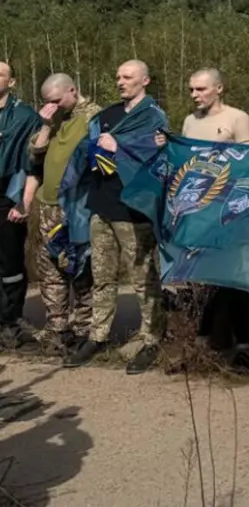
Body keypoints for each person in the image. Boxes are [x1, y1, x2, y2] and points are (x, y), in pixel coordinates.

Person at [65, 60, 168, 373]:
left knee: (143, 278)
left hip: (133, 211)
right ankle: (98, 335)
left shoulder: (154, 116)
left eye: (128, 77)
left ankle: (152, 337)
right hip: (102, 207)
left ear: (145, 81)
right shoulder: (105, 115)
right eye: (118, 77)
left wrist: (119, 144)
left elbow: (158, 153)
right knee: (102, 275)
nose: (120, 82)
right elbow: (86, 150)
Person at [174, 69, 249, 370]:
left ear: (219, 88)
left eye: (201, 89)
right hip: (198, 208)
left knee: (232, 277)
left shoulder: (238, 118)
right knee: (201, 276)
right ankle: (206, 340)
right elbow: (185, 163)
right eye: (191, 89)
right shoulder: (189, 122)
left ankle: (244, 343)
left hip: (228, 207)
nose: (195, 95)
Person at [26, 74, 101, 352]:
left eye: (57, 101)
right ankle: (57, 328)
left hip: (78, 205)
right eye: (48, 103)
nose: (53, 107)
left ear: (73, 90)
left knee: (82, 267)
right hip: (48, 206)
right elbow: (34, 153)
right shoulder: (53, 118)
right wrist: (46, 125)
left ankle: (85, 330)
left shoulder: (93, 116)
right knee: (50, 269)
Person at [0, 62, 44, 347]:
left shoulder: (25, 116)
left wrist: (25, 201)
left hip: (8, 196)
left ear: (12, 82)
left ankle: (10, 321)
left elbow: (34, 164)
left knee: (11, 262)